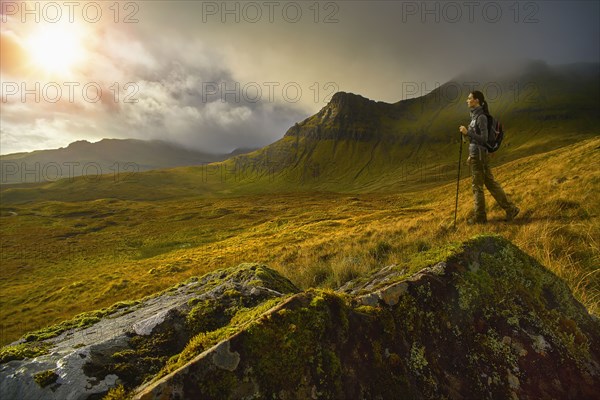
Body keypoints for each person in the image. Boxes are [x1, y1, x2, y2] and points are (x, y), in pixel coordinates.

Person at [459, 90, 519, 224]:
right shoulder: (475, 117)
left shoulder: (481, 117)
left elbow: (484, 139)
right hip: (478, 154)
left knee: (477, 187)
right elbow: (475, 140)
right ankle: (511, 209)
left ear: (477, 101)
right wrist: (470, 153)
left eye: (469, 98)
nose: (467, 100)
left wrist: (467, 132)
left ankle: (480, 218)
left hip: (479, 155)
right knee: (491, 184)